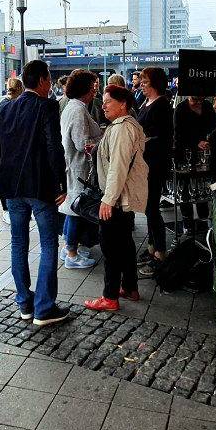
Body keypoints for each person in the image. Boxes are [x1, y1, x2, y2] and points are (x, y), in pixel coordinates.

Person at [0, 59, 73, 327]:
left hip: (12, 190)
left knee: (18, 243)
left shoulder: (6, 108)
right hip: (40, 187)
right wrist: (61, 182)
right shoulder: (46, 106)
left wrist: (9, 170)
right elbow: (53, 146)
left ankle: (24, 303)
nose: (50, 84)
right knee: (48, 243)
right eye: (48, 79)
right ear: (43, 80)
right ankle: (44, 307)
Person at [84, 84, 149, 311]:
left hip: (118, 198)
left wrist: (107, 199)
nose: (103, 105)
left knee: (110, 247)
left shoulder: (122, 128)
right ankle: (130, 287)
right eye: (102, 101)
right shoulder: (124, 126)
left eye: (108, 101)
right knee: (125, 244)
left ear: (123, 104)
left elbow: (118, 167)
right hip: (122, 197)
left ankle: (109, 297)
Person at [57, 70, 101, 269]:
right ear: (84, 89)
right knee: (76, 211)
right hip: (79, 169)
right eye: (92, 88)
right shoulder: (77, 109)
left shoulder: (75, 107)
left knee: (71, 210)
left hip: (75, 168)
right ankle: (72, 253)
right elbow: (83, 143)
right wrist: (102, 139)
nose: (94, 92)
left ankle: (69, 248)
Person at [135, 67, 173, 266]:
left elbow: (160, 137)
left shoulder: (162, 105)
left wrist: (140, 141)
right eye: (141, 81)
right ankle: (151, 247)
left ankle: (160, 251)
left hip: (155, 164)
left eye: (145, 81)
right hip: (145, 163)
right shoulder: (146, 102)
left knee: (152, 207)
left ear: (156, 84)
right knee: (148, 207)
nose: (141, 84)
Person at [174, 94, 216, 228]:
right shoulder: (181, 109)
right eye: (194, 100)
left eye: (200, 99)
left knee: (202, 185)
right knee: (186, 189)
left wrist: (208, 140)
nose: (197, 103)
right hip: (185, 153)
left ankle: (203, 219)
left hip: (203, 152)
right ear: (188, 97)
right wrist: (195, 142)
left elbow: (214, 127)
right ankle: (187, 222)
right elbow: (178, 134)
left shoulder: (207, 107)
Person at [0, 77, 25, 223]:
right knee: (8, 181)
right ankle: (7, 209)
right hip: (9, 150)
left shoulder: (4, 104)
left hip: (5, 150)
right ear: (20, 89)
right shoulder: (9, 105)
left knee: (7, 180)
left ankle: (9, 209)